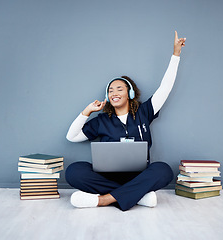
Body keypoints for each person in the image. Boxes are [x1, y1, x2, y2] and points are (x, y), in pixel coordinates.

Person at [65, 31, 186, 211]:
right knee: (74, 171)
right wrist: (86, 111)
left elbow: (165, 88)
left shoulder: (145, 111)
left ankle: (104, 200)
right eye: (111, 90)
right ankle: (138, 196)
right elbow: (72, 137)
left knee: (164, 170)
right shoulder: (101, 120)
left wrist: (175, 54)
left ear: (129, 93)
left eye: (119, 89)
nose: (114, 93)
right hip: (107, 177)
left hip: (139, 175)